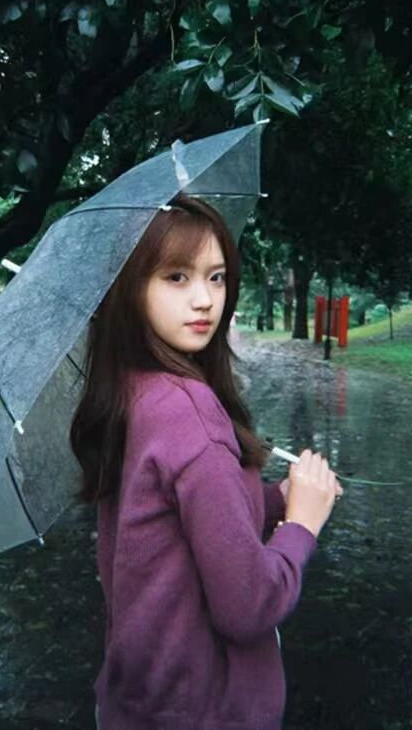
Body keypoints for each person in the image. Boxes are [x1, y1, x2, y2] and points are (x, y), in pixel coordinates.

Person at [70, 193, 341, 730]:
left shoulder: (134, 390)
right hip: (204, 710)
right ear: (131, 288)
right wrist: (302, 526)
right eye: (176, 277)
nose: (205, 300)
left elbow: (174, 514)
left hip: (135, 701)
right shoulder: (190, 414)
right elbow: (249, 606)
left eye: (216, 278)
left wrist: (276, 500)